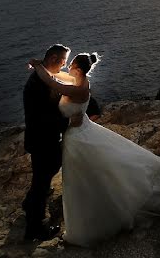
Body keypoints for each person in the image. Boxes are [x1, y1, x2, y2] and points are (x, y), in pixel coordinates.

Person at [28, 52, 160, 247]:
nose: (66, 67)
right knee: (91, 174)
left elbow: (53, 84)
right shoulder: (78, 80)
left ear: (77, 68)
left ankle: (94, 219)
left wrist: (37, 66)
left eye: (70, 65)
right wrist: (43, 66)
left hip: (78, 138)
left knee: (84, 179)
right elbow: (55, 76)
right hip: (79, 133)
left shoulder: (79, 89)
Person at [21, 44, 101, 240]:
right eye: (64, 60)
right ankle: (34, 229)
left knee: (44, 178)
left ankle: (30, 203)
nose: (65, 65)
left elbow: (78, 91)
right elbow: (41, 117)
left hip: (48, 139)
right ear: (55, 58)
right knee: (41, 183)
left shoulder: (46, 77)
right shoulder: (37, 85)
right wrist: (68, 120)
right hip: (42, 140)